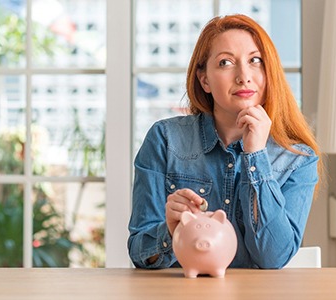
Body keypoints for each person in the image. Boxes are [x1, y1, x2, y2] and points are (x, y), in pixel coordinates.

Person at [127, 14, 322, 269]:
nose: (244, 76)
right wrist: (170, 231)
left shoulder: (297, 158)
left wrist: (256, 156)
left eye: (255, 61)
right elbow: (140, 252)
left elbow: (273, 258)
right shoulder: (165, 139)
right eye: (226, 62)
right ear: (204, 80)